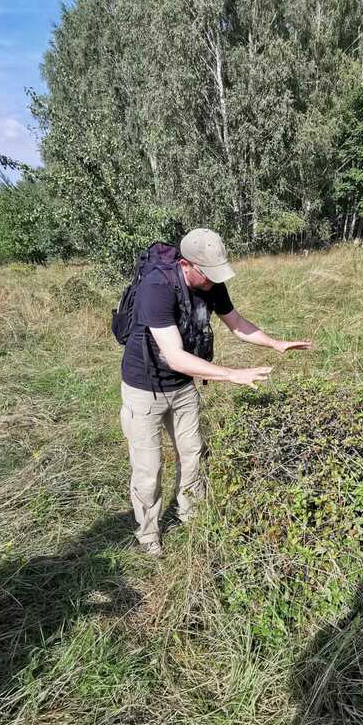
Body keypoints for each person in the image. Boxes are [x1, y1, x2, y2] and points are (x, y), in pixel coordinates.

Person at [120, 227, 311, 556]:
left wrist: (275, 344)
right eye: (208, 274)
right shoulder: (157, 287)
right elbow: (174, 357)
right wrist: (232, 375)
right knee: (148, 470)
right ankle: (149, 534)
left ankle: (190, 514)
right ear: (186, 264)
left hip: (182, 387)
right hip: (145, 388)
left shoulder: (211, 284)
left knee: (194, 452)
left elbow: (236, 323)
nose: (213, 281)